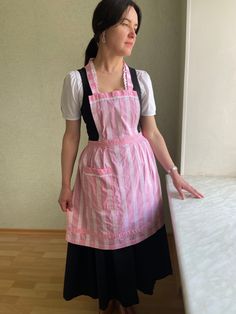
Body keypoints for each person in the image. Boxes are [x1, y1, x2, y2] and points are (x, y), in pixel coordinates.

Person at [58, 1, 204, 313]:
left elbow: (151, 132)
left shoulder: (141, 80)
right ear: (102, 28)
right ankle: (109, 299)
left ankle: (126, 300)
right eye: (126, 24)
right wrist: (65, 184)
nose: (132, 33)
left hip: (137, 172)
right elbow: (71, 136)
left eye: (135, 28)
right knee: (105, 235)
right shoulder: (77, 82)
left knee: (131, 236)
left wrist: (173, 172)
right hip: (98, 170)